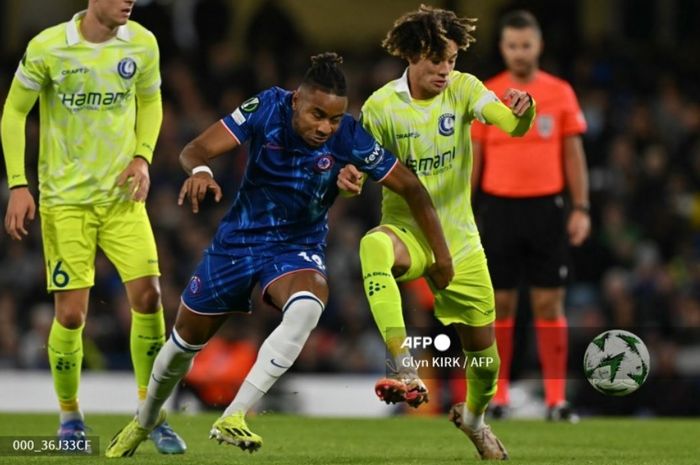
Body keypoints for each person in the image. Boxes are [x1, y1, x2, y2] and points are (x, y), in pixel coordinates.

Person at [105, 52, 454, 457]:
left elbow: (411, 187)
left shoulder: (349, 137)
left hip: (296, 247)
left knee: (308, 306)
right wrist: (200, 172)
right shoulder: (266, 106)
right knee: (182, 345)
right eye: (317, 115)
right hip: (238, 242)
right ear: (296, 101)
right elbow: (196, 149)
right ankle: (145, 419)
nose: (325, 128)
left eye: (334, 119)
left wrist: (442, 257)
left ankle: (234, 415)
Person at [337, 5, 534, 460]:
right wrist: (348, 183)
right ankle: (404, 367)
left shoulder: (464, 89)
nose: (446, 69)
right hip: (407, 233)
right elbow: (359, 174)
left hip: (461, 241)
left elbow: (509, 124)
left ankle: (476, 420)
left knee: (485, 363)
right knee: (372, 246)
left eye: (451, 58)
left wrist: (523, 112)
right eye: (436, 60)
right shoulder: (382, 108)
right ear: (411, 56)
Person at [0, 0, 186, 454]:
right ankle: (70, 418)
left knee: (149, 297)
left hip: (122, 198)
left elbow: (151, 101)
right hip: (66, 202)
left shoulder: (142, 43)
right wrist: (19, 185)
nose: (129, 1)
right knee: (71, 315)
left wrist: (142, 156)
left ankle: (150, 414)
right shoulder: (48, 48)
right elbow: (12, 113)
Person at [471, 10, 590, 422]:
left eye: (526, 45)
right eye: (512, 45)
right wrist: (463, 210)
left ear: (538, 46)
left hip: (546, 208)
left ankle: (556, 400)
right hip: (499, 208)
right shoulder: (487, 93)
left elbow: (573, 155)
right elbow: (474, 158)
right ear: (502, 48)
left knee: (548, 304)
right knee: (499, 305)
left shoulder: (560, 92)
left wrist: (581, 208)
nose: (520, 53)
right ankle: (498, 397)